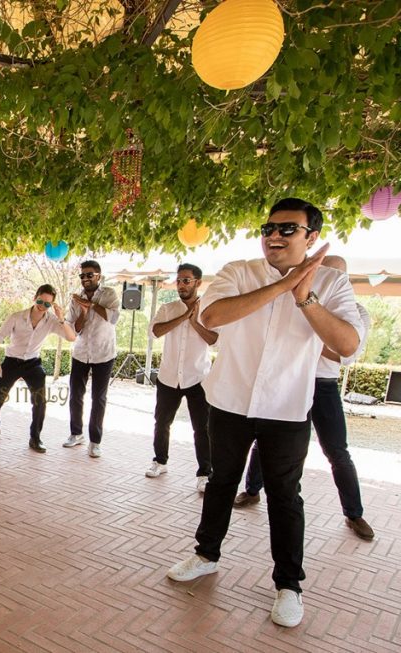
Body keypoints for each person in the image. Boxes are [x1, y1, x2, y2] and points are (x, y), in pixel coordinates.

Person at [166, 198, 363, 629]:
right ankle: (206, 555)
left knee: (285, 496)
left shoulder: (331, 283)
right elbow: (214, 316)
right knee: (221, 482)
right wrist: (282, 285)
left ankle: (288, 585)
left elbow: (347, 345)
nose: (274, 235)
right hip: (230, 401)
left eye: (287, 229)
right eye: (268, 227)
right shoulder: (239, 272)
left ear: (311, 237)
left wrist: (305, 296)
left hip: (287, 408)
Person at [233, 256, 375, 542]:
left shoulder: (357, 313)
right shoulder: (290, 299)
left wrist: (313, 329)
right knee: (265, 441)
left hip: (322, 385)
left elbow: (344, 354)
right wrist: (315, 331)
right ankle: (251, 489)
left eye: (335, 275)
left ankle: (354, 512)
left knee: (337, 451)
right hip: (288, 381)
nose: (325, 278)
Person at [145, 264, 218, 492]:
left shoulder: (208, 309)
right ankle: (160, 461)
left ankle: (205, 473)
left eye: (186, 280)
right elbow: (154, 331)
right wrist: (184, 316)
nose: (181, 285)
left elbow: (216, 340)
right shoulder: (168, 308)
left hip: (198, 377)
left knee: (202, 428)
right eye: (179, 281)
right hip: (168, 377)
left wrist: (195, 322)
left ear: (197, 282)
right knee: (162, 422)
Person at [0, 284, 72, 453]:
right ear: (34, 298)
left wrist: (61, 318)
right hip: (12, 361)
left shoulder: (51, 320)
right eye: (40, 301)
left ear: (51, 305)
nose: (42, 306)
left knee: (39, 402)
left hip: (32, 364)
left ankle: (35, 438)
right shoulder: (16, 317)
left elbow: (71, 337)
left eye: (47, 304)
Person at [63, 260, 120, 457]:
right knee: (76, 395)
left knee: (99, 398)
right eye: (82, 276)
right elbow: (73, 327)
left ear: (99, 276)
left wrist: (92, 305)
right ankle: (76, 433)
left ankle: (95, 441)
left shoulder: (109, 294)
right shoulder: (75, 298)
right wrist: (84, 313)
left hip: (104, 354)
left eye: (89, 275)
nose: (85, 279)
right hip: (80, 353)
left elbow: (113, 318)